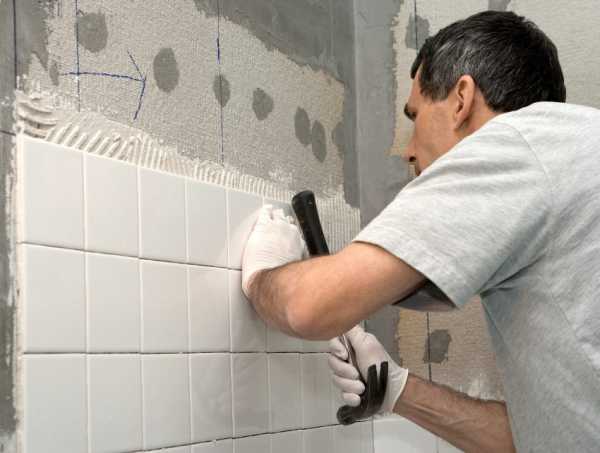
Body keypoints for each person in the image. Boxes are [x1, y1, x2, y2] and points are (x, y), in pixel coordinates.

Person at [241, 10, 600, 453]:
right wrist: (396, 389)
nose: (409, 151)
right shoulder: (573, 152)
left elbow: (308, 308)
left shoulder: (516, 146)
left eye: (416, 116)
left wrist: (262, 275)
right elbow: (540, 439)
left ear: (461, 99)